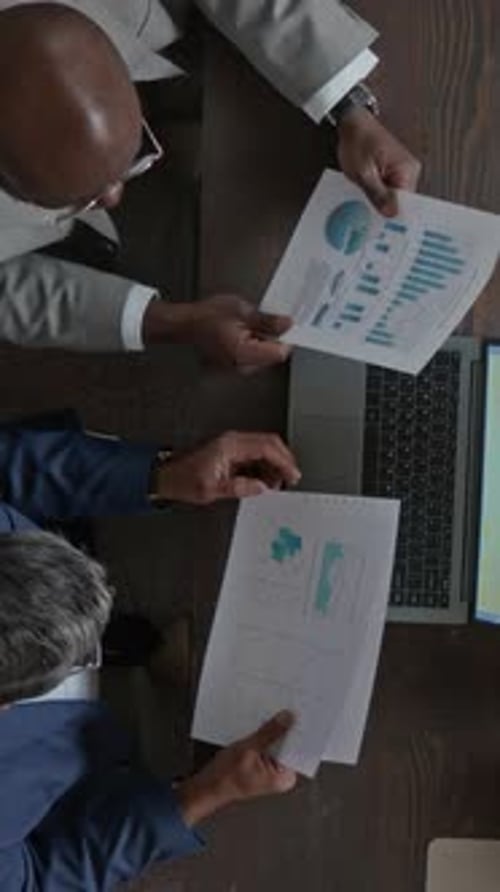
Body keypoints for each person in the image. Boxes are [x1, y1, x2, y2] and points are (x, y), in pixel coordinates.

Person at [0, 0, 421, 361]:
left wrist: (346, 103)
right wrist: (169, 323)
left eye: (120, 166)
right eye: (77, 195)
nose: (114, 196)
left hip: (175, 34)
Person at [0, 410, 300, 890]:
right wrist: (207, 794)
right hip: (96, 771)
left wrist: (160, 476)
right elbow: (38, 875)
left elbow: (8, 467)